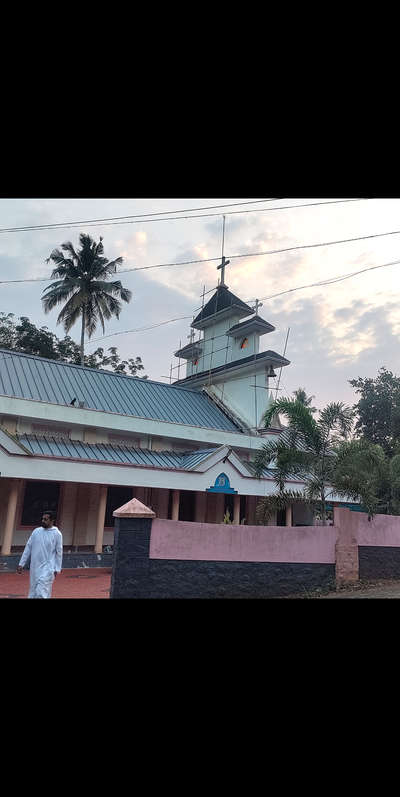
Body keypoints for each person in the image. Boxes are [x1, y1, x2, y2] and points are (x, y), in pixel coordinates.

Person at [16, 511, 63, 599]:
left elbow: (59, 552)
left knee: (41, 592)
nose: (43, 521)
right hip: (34, 567)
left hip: (48, 568)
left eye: (45, 519)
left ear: (52, 520)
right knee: (33, 592)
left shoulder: (57, 534)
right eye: (42, 519)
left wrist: (57, 569)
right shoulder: (36, 532)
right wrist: (21, 563)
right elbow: (28, 547)